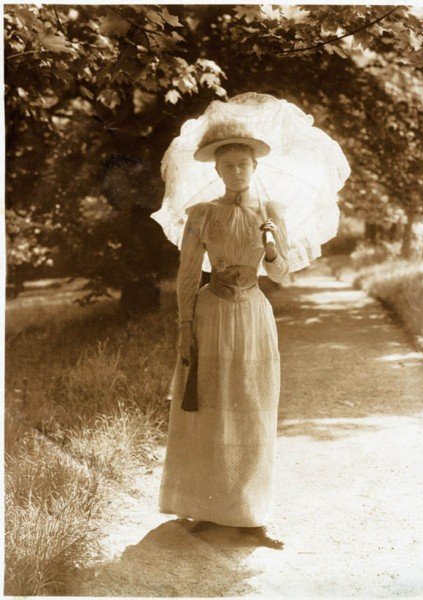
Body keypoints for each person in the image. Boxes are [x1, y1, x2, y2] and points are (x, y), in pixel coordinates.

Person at [158, 121, 291, 548]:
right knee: (212, 406)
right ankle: (208, 507)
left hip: (253, 316)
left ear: (254, 166)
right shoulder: (202, 214)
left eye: (243, 164)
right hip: (211, 315)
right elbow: (187, 275)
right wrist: (184, 328)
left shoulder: (271, 212)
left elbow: (283, 275)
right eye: (228, 165)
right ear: (217, 170)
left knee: (253, 405)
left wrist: (271, 248)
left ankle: (253, 515)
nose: (236, 171)